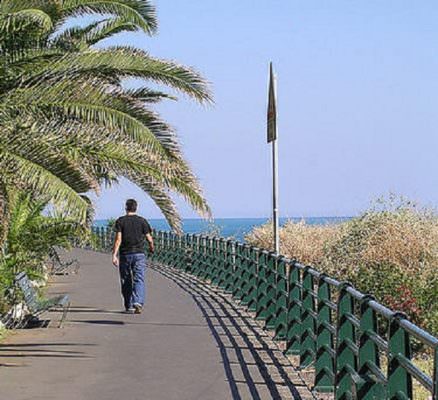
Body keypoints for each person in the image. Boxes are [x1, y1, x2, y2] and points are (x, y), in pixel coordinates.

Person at [112, 199, 154, 314]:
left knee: (126, 279)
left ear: (126, 207)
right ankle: (138, 302)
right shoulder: (142, 221)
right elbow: (149, 238)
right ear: (136, 208)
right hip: (139, 254)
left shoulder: (121, 221)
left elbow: (118, 239)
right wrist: (151, 247)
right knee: (139, 278)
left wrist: (114, 255)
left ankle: (129, 305)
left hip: (125, 254)